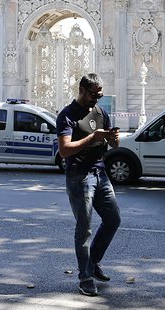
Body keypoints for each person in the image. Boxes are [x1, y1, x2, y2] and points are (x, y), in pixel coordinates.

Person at [56, 73, 121, 297]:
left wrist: (113, 140)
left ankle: (92, 263)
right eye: (94, 94)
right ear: (82, 89)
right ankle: (85, 277)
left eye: (100, 95)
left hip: (100, 173)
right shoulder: (67, 115)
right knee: (84, 228)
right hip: (79, 175)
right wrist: (92, 138)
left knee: (113, 219)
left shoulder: (101, 112)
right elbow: (64, 151)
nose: (97, 99)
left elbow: (111, 144)